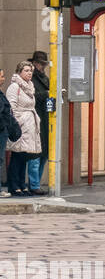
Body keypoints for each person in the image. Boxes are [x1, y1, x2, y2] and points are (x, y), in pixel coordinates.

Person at [6, 62, 41, 199]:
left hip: (30, 126)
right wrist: (18, 123)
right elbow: (11, 107)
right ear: (19, 71)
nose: (29, 73)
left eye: (31, 71)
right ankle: (14, 186)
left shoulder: (30, 87)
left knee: (24, 157)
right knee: (17, 156)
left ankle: (22, 184)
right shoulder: (14, 87)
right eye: (26, 70)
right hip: (20, 126)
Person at [27, 51, 50, 195]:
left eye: (43, 64)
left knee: (43, 153)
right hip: (35, 119)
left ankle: (36, 183)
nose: (42, 67)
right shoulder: (31, 80)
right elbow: (31, 97)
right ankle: (34, 184)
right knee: (35, 154)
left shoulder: (45, 79)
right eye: (40, 64)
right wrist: (47, 94)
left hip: (44, 118)